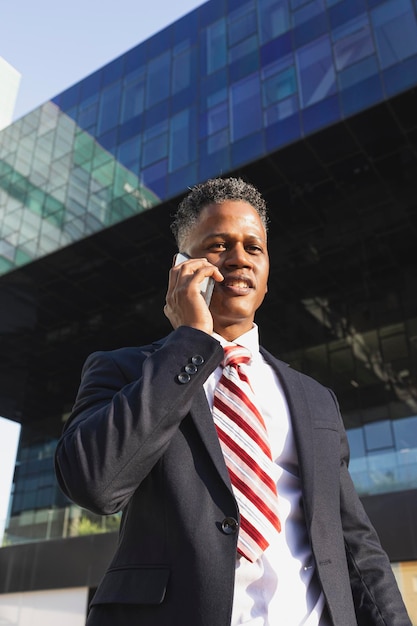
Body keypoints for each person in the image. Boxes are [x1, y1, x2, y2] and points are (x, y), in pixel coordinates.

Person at [55, 177, 411, 625]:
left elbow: (357, 544)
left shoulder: (316, 399)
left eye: (253, 247)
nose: (240, 258)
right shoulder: (123, 370)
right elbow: (94, 484)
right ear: (182, 266)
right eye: (219, 245)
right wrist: (188, 343)